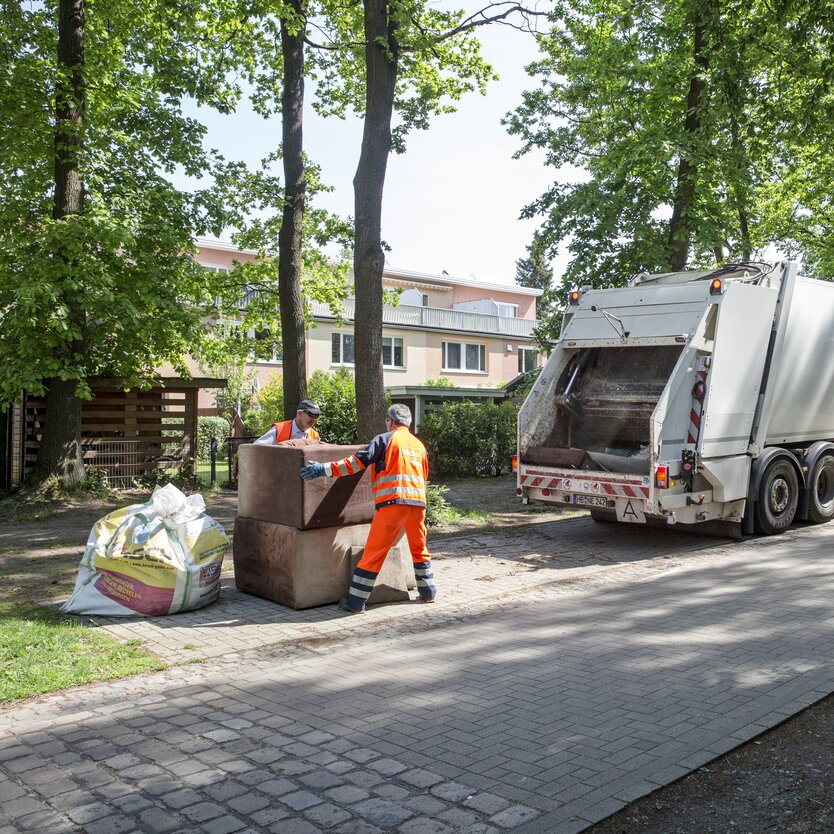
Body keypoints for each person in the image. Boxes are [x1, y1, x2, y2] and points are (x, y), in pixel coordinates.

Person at [299, 403, 437, 613]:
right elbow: (424, 477)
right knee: (419, 549)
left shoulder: (385, 439)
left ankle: (355, 603)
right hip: (417, 505)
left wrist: (323, 469)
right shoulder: (419, 446)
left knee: (374, 553)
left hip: (392, 504)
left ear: (390, 421)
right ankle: (428, 593)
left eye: (386, 420)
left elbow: (356, 463)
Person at [254, 400, 322, 445]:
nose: (314, 419)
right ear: (299, 414)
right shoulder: (279, 430)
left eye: (316, 416)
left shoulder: (315, 436)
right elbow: (256, 448)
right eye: (311, 414)